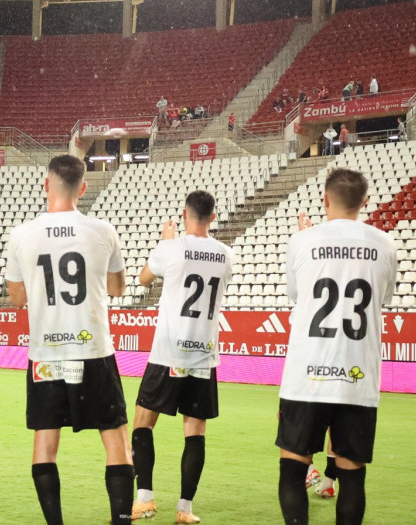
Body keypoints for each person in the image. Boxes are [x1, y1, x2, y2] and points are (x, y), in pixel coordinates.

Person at [5, 154, 134, 525]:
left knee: (45, 442)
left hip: (46, 354)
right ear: (83, 187)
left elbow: (18, 298)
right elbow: (117, 288)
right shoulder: (103, 231)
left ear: (46, 185)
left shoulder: (21, 234)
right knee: (115, 440)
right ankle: (122, 519)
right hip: (93, 350)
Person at [276, 169, 397, 525]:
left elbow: (296, 295)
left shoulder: (303, 241)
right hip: (357, 378)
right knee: (352, 476)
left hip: (306, 376)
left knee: (292, 469)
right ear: (364, 202)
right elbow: (383, 299)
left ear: (326, 199)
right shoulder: (385, 243)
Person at [133, 191, 234, 524]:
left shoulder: (171, 247)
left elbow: (144, 279)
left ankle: (145, 498)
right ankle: (185, 509)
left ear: (184, 213)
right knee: (195, 432)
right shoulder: (225, 254)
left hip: (168, 352)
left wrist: (165, 242)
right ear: (213, 217)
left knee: (143, 423)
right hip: (203, 354)